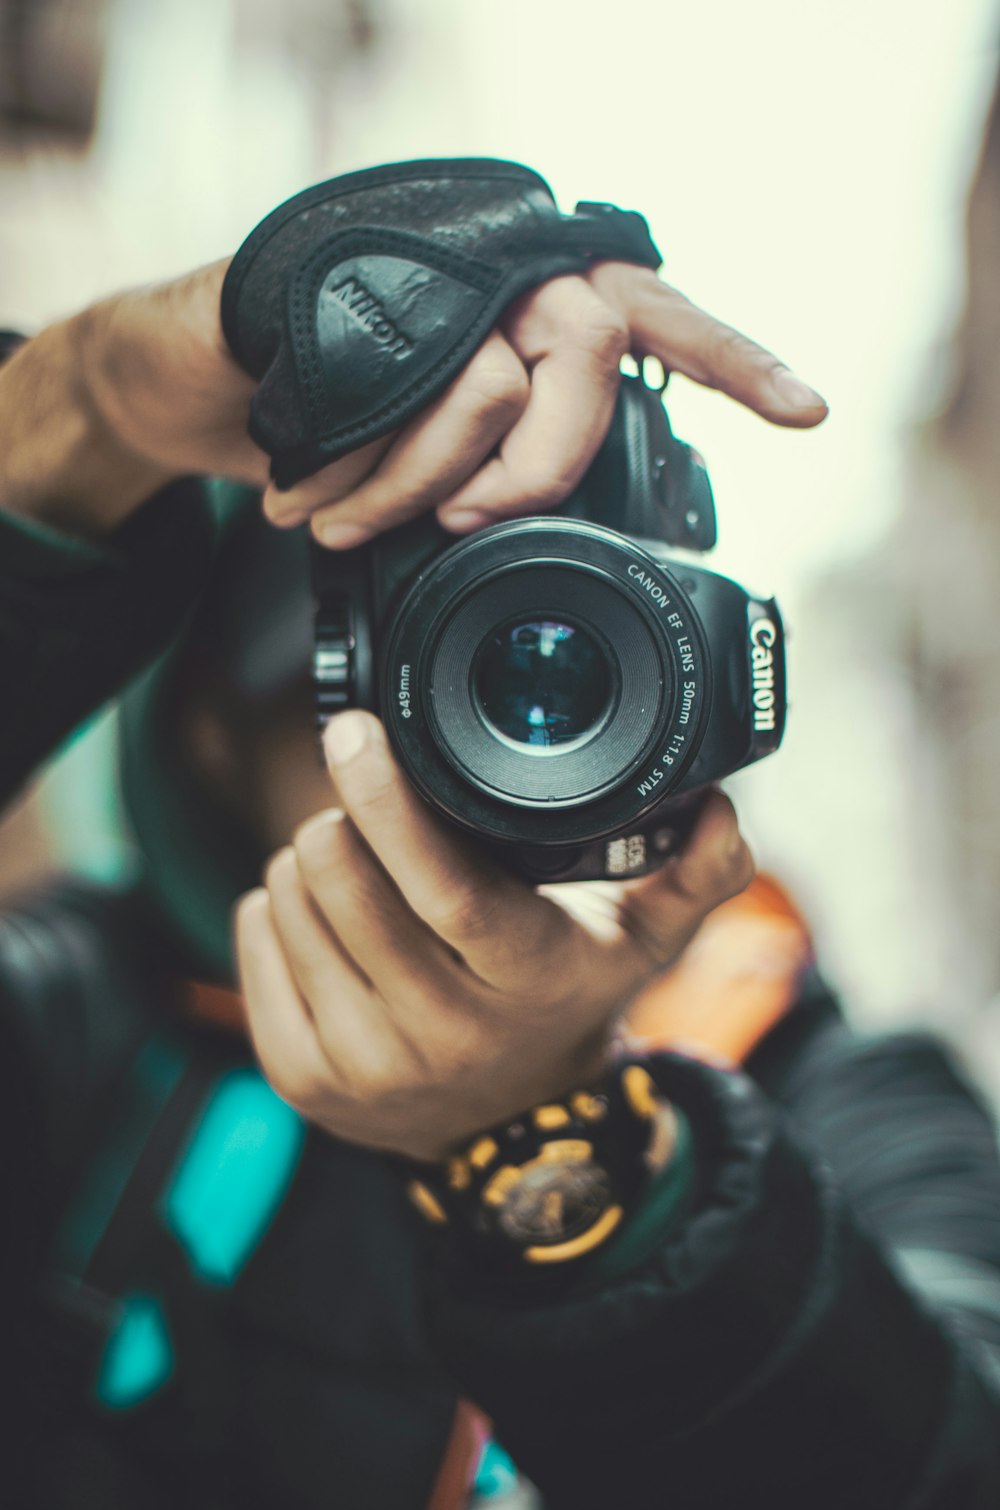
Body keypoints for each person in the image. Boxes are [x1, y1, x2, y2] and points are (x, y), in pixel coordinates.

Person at [1, 199, 999, 1510]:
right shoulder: (67, 1032)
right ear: (207, 737)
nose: (477, 750)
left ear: (681, 700)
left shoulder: (827, 1098)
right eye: (367, 681)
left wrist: (574, 1161)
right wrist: (77, 406)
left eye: (562, 661)